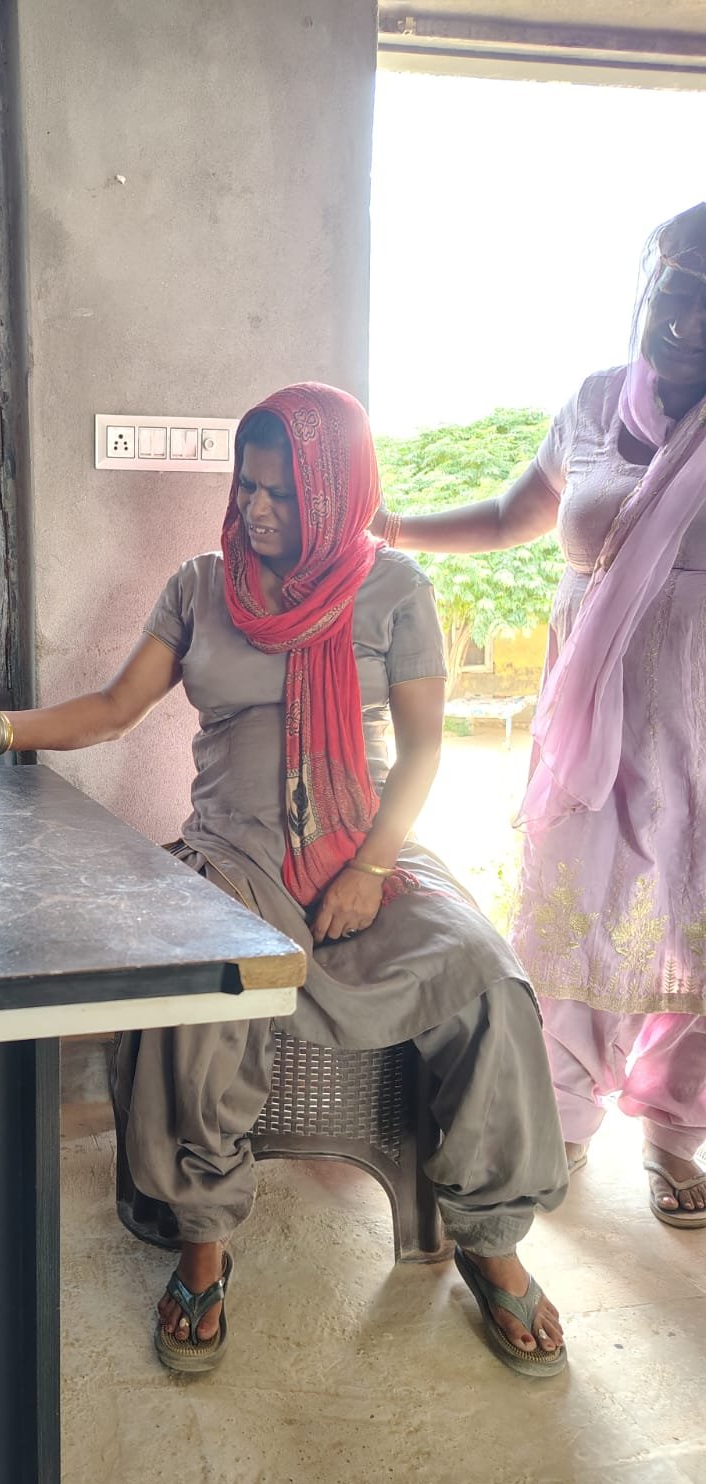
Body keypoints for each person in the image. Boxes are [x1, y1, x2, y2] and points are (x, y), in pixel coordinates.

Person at [0, 382, 570, 1379]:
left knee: (485, 976)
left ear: (337, 492)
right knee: (202, 981)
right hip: (233, 849)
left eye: (283, 493)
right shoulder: (201, 586)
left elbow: (424, 751)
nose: (257, 510)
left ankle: (490, 1236)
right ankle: (204, 1234)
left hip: (365, 844)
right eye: (247, 486)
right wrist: (1, 729)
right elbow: (112, 709)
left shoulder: (395, 589)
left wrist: (373, 867)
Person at [377, 203, 706, 1229]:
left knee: (698, 925)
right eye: (674, 290)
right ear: (645, 288)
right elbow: (511, 512)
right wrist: (394, 528)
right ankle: (562, 1116)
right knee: (583, 915)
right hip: (594, 734)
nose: (687, 318)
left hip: (702, 720)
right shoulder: (597, 405)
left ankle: (676, 1129)